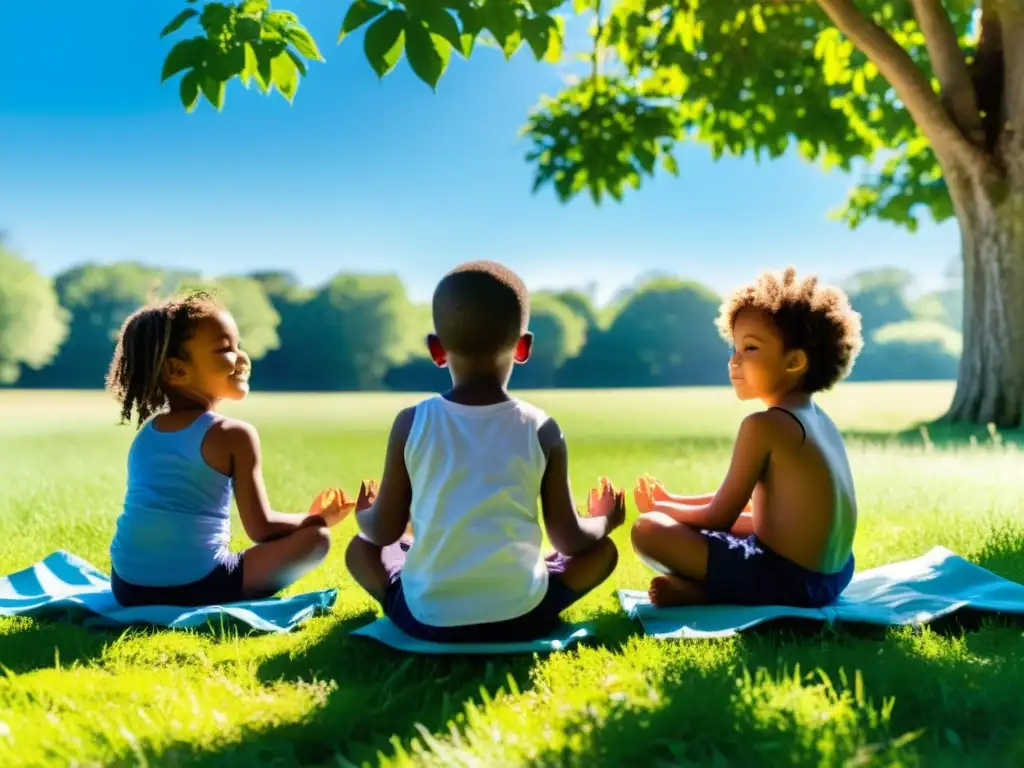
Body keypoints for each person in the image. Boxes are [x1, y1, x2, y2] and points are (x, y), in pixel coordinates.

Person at [345, 260, 624, 642]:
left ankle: (412, 599)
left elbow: (383, 531)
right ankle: (511, 585)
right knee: (601, 551)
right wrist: (604, 521)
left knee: (361, 549)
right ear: (524, 347)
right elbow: (569, 541)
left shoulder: (411, 422)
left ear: (436, 350)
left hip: (428, 619)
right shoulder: (543, 428)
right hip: (521, 617)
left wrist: (364, 514)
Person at [631, 267, 864, 608]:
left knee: (649, 530)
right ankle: (711, 586)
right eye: (735, 347)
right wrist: (675, 500)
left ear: (795, 361)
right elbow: (747, 504)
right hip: (837, 573)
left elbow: (717, 518)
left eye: (750, 348)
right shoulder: (818, 419)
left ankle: (705, 592)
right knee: (745, 523)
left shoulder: (765, 425)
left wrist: (661, 508)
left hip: (791, 582)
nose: (734, 361)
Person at [105, 291, 351, 608]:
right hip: (200, 586)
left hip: (127, 588)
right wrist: (316, 518)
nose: (242, 358)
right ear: (177, 371)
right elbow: (260, 528)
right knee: (316, 539)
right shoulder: (234, 434)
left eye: (238, 346)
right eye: (225, 349)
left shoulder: (147, 434)